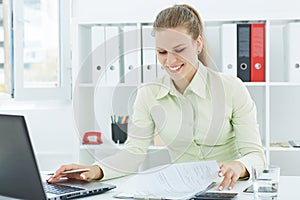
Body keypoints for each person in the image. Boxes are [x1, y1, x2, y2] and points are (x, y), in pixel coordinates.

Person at [48, 4, 266, 190]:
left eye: (179, 49)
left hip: (229, 190)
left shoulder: (231, 87)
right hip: (182, 191)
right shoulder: (148, 94)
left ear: (197, 44)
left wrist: (238, 166)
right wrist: (94, 170)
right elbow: (133, 154)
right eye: (162, 52)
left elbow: (256, 155)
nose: (170, 61)